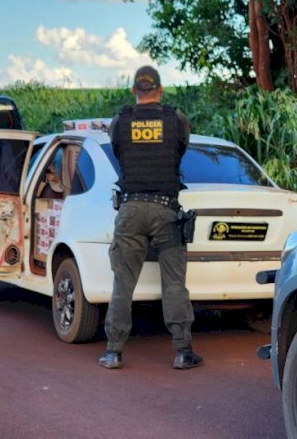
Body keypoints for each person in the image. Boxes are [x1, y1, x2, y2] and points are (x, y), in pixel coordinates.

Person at [99, 65, 203, 370]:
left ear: (135, 90)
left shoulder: (120, 121)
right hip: (165, 210)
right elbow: (180, 149)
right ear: (160, 89)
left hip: (130, 210)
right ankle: (183, 352)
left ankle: (113, 352)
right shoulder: (176, 120)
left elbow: (118, 152)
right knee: (174, 284)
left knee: (123, 283)